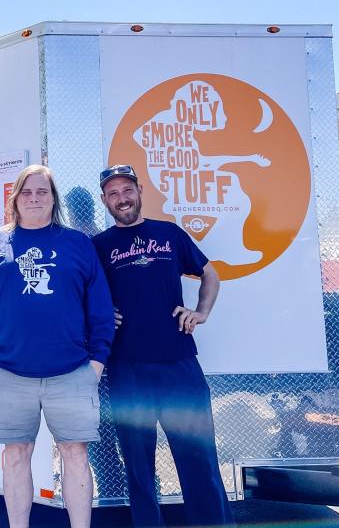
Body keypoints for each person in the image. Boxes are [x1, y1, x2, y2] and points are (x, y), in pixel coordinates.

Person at [0, 164, 115, 528]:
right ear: (15, 198)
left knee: (75, 454)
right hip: (9, 374)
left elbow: (99, 307)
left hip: (72, 373)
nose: (34, 198)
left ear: (53, 199)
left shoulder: (77, 244)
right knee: (16, 455)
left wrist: (97, 362)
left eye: (42, 192)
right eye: (27, 192)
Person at [92, 165, 235, 527]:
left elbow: (210, 274)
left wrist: (200, 312)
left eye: (127, 190)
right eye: (113, 193)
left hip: (179, 364)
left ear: (140, 191)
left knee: (199, 460)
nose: (121, 198)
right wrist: (100, 313)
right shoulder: (100, 245)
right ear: (105, 200)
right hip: (127, 369)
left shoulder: (169, 233)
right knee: (139, 469)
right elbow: (82, 292)